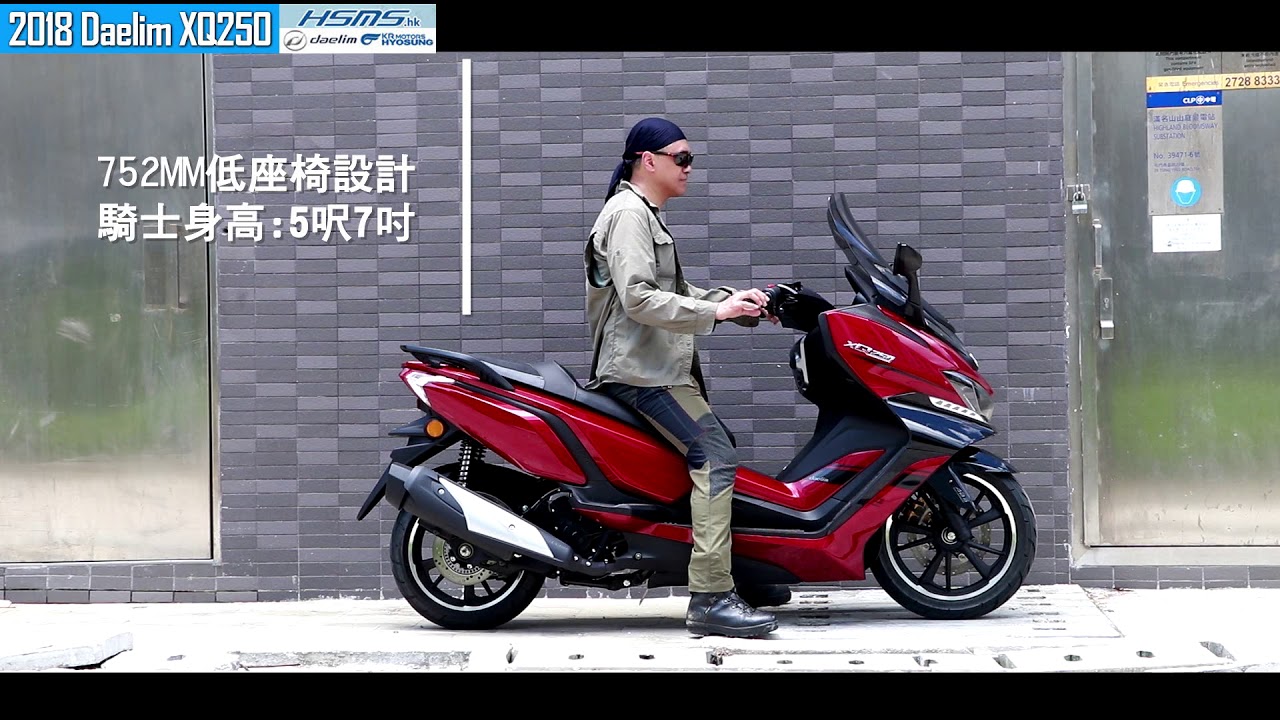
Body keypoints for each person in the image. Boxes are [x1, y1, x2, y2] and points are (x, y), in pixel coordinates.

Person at [582, 117, 789, 639]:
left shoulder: (642, 213)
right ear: (648, 161)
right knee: (715, 454)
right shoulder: (628, 214)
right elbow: (639, 298)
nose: (689, 167)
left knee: (717, 449)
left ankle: (737, 570)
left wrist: (735, 303)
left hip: (655, 368)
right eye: (682, 158)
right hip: (640, 372)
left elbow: (674, 289)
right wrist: (716, 313)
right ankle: (711, 596)